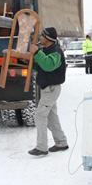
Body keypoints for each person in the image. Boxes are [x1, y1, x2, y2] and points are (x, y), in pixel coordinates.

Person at [28, 27, 68, 156]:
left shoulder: (56, 52)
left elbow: (48, 65)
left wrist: (37, 53)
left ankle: (41, 147)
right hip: (46, 88)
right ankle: (61, 142)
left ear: (48, 38)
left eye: (42, 36)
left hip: (52, 88)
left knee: (40, 115)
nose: (40, 37)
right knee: (51, 117)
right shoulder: (45, 50)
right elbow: (39, 65)